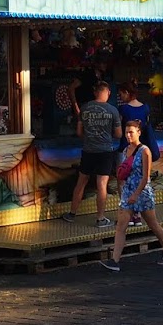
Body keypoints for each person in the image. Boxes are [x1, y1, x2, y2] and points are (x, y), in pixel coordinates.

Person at [100, 120, 163, 270]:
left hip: (142, 192)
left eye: (131, 132)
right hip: (128, 190)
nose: (128, 135)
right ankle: (115, 260)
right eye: (126, 132)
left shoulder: (145, 151)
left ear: (139, 133)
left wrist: (136, 194)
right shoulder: (125, 150)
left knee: (153, 223)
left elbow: (145, 177)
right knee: (121, 226)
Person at [62, 82, 123, 228]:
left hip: (88, 150)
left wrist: (89, 138)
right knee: (102, 185)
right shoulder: (112, 110)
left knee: (81, 182)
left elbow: (79, 132)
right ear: (108, 92)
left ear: (95, 92)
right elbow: (119, 134)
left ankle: (72, 214)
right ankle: (100, 218)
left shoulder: (84, 108)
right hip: (105, 152)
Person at [116, 81, 155, 157]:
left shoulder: (123, 109)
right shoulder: (145, 108)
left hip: (126, 146)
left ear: (126, 92)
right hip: (142, 146)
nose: (120, 97)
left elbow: (118, 128)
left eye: (121, 94)